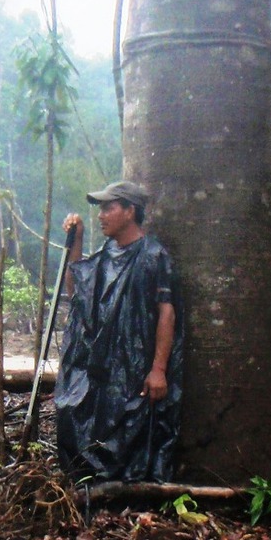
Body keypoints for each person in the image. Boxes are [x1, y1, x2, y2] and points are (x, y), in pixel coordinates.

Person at [54, 180, 183, 483]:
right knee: (73, 413)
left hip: (136, 368)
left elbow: (167, 312)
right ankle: (89, 482)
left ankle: (127, 489)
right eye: (100, 209)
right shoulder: (106, 253)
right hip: (102, 366)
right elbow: (77, 294)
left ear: (129, 211)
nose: (101, 215)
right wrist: (77, 241)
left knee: (131, 432)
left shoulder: (154, 256)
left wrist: (159, 369)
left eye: (108, 208)